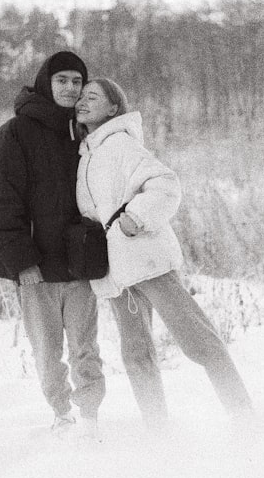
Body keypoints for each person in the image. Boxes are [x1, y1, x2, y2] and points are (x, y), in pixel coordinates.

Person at [74, 78, 253, 433]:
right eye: (80, 97)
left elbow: (166, 184)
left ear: (113, 108)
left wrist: (135, 217)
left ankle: (245, 416)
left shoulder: (121, 144)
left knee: (197, 339)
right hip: (115, 272)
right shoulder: (86, 155)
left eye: (92, 96)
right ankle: (157, 430)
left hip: (146, 260)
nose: (82, 101)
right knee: (136, 353)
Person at [0, 51, 104, 439]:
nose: (70, 88)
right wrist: (21, 262)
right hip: (37, 271)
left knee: (86, 349)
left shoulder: (86, 131)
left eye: (77, 81)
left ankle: (90, 417)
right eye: (62, 80)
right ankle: (62, 413)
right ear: (46, 82)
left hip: (82, 265)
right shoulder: (14, 134)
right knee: (48, 353)